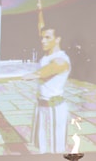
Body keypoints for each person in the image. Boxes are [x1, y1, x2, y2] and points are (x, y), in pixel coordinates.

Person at [23, 24, 71, 154]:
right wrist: (39, 11)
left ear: (57, 39)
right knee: (42, 148)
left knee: (57, 150)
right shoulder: (46, 56)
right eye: (42, 37)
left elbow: (44, 72)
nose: (43, 41)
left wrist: (28, 75)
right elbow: (42, 27)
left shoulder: (62, 59)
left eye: (47, 37)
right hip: (42, 107)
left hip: (55, 108)